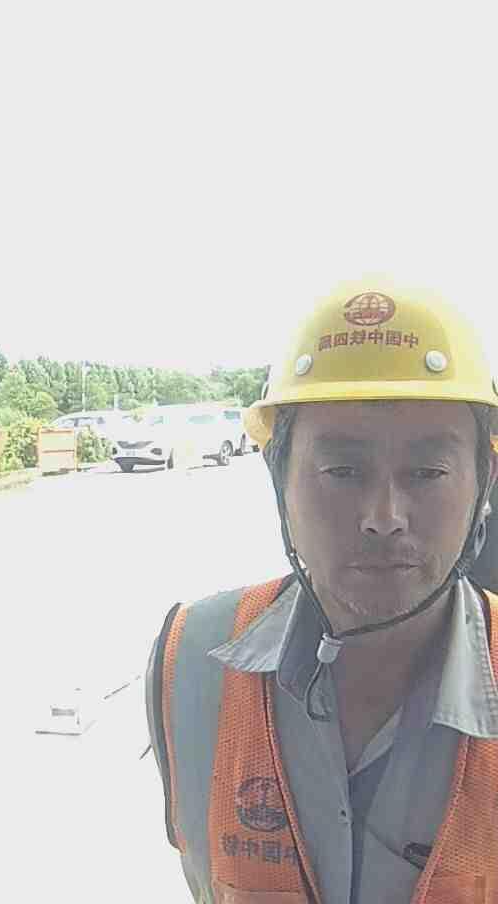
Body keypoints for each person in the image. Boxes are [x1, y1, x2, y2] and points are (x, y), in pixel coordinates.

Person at [145, 280, 498, 904]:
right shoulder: (189, 662)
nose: (384, 517)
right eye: (343, 471)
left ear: (484, 482)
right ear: (278, 477)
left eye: (427, 472)